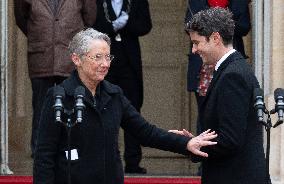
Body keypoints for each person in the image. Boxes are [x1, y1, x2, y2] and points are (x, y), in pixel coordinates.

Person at [33, 28, 217, 184]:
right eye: (97, 57)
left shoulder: (113, 95)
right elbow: (44, 156)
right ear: (77, 59)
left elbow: (145, 132)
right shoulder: (60, 96)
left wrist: (185, 143)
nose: (105, 64)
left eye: (108, 57)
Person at [184, 7, 270, 184]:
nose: (193, 50)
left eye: (197, 42)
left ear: (215, 38)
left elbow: (230, 140)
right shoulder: (231, 69)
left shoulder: (233, 75)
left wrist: (193, 144)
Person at [13, 0, 97, 157]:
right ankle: (40, 152)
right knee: (41, 107)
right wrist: (40, 34)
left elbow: (90, 17)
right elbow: (21, 17)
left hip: (70, 58)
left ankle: (72, 150)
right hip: (41, 57)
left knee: (73, 106)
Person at [93, 0, 152, 173]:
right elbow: (91, 26)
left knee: (132, 111)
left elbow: (145, 25)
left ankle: (133, 162)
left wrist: (126, 25)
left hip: (129, 63)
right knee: (102, 110)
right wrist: (112, 27)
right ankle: (106, 160)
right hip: (104, 63)